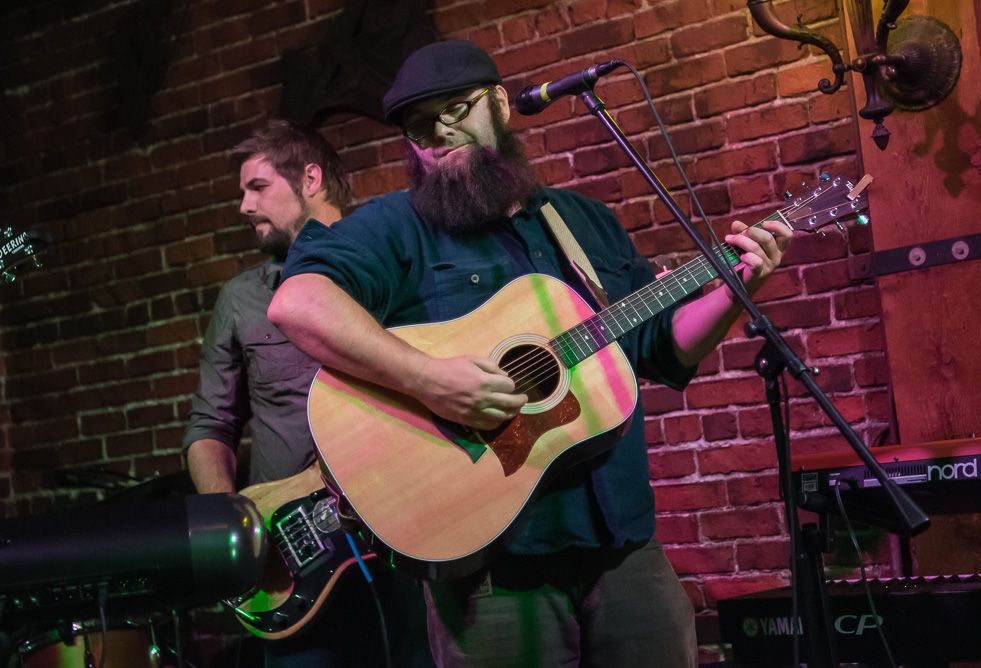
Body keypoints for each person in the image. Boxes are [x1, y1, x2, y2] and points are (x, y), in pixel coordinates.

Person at [268, 41, 792, 667]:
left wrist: (737, 289)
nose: (438, 133)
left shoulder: (584, 223)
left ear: (499, 105)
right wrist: (430, 379)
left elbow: (657, 346)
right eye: (418, 126)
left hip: (621, 544)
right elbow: (298, 302)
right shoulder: (396, 226)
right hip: (493, 567)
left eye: (456, 109)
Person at [183, 119, 433, 668]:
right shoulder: (242, 299)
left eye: (257, 187)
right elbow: (210, 426)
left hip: (408, 538)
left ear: (311, 178)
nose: (243, 206)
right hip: (293, 559)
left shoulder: (398, 265)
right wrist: (229, 519)